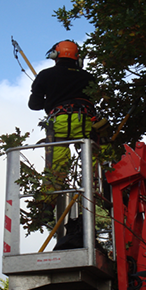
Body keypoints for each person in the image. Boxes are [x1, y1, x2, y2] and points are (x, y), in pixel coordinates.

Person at [28, 40, 96, 223]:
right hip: (85, 122)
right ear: (77, 58)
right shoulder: (88, 76)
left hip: (60, 121)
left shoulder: (46, 75)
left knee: (57, 166)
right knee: (94, 160)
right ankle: (100, 191)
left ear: (55, 56)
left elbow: (33, 104)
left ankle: (46, 208)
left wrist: (50, 101)